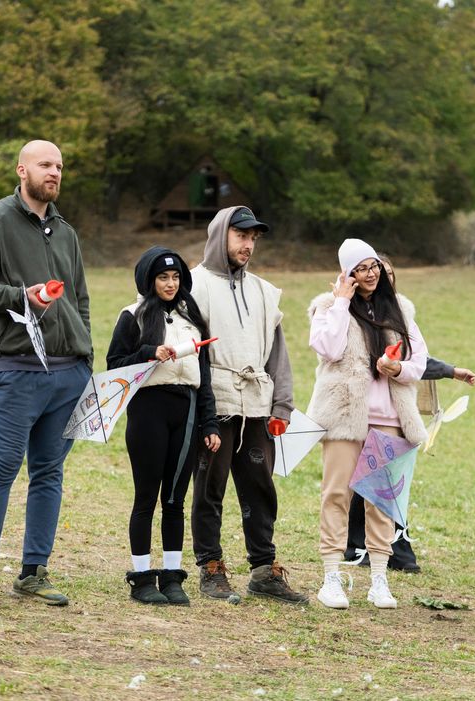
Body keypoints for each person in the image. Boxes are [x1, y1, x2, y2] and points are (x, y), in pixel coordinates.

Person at [0, 140, 93, 606]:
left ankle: (34, 571)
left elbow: (80, 300)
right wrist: (22, 296)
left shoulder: (66, 231)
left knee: (49, 474)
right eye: (45, 165)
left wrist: (85, 353)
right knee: (1, 467)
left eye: (59, 166)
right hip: (16, 370)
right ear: (22, 170)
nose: (54, 173)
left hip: (68, 374)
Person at [188, 206, 307, 603]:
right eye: (241, 236)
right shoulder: (194, 284)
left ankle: (263, 569)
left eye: (253, 238)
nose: (248, 245)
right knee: (210, 486)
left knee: (259, 487)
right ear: (221, 234)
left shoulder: (262, 290)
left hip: (257, 401)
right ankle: (210, 567)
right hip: (215, 402)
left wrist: (282, 405)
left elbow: (278, 353)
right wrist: (198, 405)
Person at [307, 239, 429, 609]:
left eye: (372, 266)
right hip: (344, 416)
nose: (370, 274)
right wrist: (342, 300)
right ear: (347, 274)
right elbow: (328, 348)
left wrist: (398, 368)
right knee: (336, 494)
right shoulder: (328, 308)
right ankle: (331, 577)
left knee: (381, 503)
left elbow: (419, 361)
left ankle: (379, 578)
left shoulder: (400, 310)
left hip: (388, 420)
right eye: (359, 269)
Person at [342, 255, 475, 573]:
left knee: (390, 479)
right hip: (366, 410)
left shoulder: (400, 313)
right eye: (378, 272)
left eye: (388, 273)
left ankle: (393, 545)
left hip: (399, 413)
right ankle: (358, 547)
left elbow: (417, 359)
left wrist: (450, 371)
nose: (383, 278)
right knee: (367, 477)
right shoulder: (359, 313)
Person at [107, 247, 222, 605]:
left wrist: (210, 424)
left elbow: (203, 376)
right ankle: (142, 578)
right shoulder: (132, 316)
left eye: (175, 277)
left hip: (185, 412)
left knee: (175, 499)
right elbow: (114, 366)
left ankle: (173, 578)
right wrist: (148, 352)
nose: (170, 284)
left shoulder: (192, 318)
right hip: (147, 412)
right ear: (149, 280)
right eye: (162, 277)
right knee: (146, 498)